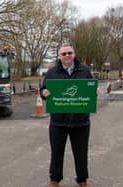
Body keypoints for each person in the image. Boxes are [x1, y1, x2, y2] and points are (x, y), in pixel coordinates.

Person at [40, 45, 94, 187]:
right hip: (58, 122)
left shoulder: (85, 71)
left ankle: (82, 180)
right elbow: (43, 90)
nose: (67, 55)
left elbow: (91, 90)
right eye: (64, 53)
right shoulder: (51, 72)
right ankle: (55, 179)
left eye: (69, 53)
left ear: (74, 54)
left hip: (81, 122)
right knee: (56, 152)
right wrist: (44, 94)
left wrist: (94, 92)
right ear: (59, 56)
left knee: (81, 153)